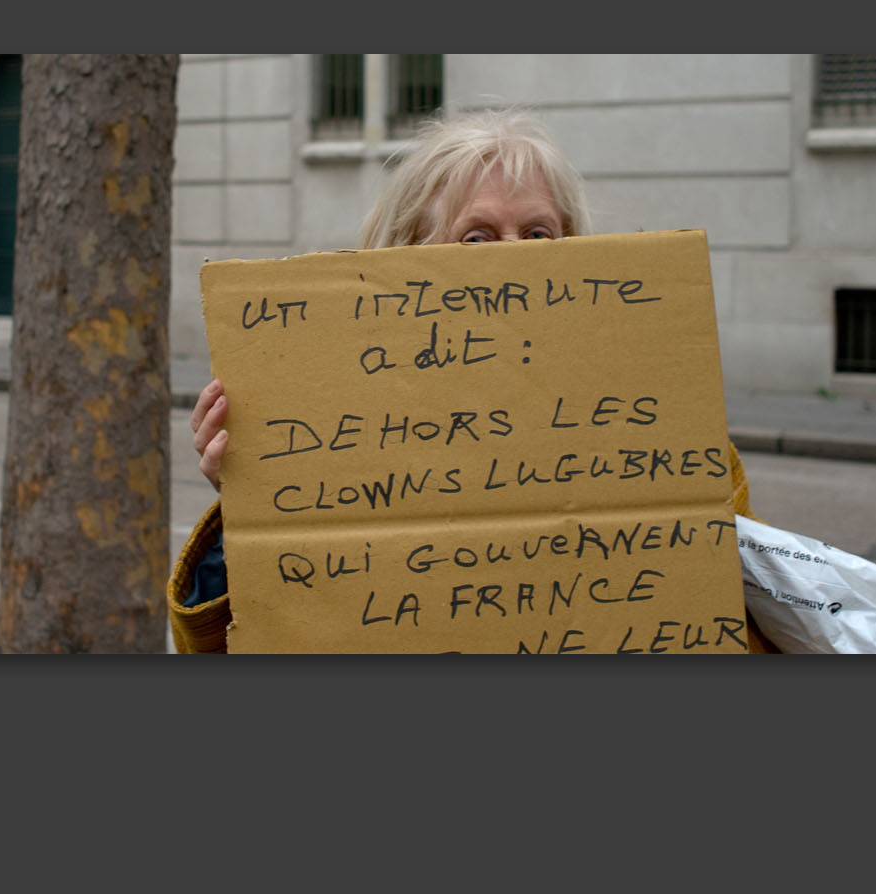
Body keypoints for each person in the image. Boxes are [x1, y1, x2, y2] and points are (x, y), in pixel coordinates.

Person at [168, 109, 779, 654]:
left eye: (538, 234)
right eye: (477, 238)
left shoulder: (661, 427)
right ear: (407, 257)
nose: (511, 258)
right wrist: (254, 507)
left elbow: (732, 625)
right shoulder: (337, 440)